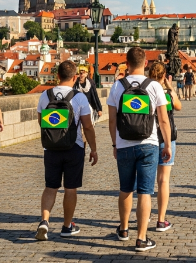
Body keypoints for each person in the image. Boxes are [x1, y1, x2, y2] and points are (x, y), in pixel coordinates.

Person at [107, 47, 172, 252]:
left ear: (126, 64)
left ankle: (124, 229)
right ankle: (141, 238)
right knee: (145, 191)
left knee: (126, 188)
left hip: (125, 144)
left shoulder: (117, 86)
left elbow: (111, 120)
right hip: (149, 144)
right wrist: (168, 144)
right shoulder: (154, 86)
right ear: (146, 63)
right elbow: (163, 119)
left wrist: (115, 144)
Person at [36, 61, 99, 241]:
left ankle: (44, 221)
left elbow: (41, 122)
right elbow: (87, 126)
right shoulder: (79, 97)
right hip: (74, 148)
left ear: (57, 76)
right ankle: (67, 226)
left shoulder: (45, 95)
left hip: (51, 148)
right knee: (70, 189)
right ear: (74, 78)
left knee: (50, 187)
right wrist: (93, 149)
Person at [148, 61, 182, 233]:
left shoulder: (144, 92)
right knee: (163, 180)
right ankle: (161, 220)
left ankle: (144, 212)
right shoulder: (166, 95)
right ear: (163, 76)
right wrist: (170, 88)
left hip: (147, 138)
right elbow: (179, 106)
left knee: (145, 179)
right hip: (166, 139)